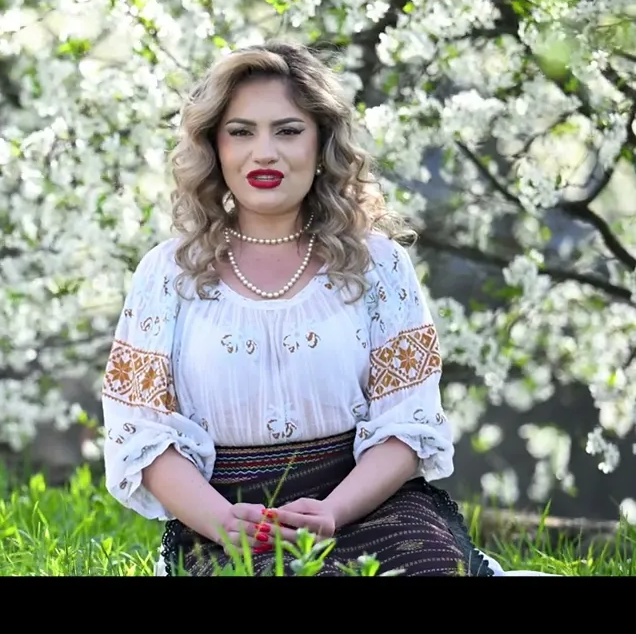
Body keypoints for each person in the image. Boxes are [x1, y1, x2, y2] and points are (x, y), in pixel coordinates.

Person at [99, 40, 509, 577]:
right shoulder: (167, 273)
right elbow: (141, 433)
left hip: (368, 506)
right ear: (214, 146)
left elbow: (408, 423)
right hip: (230, 521)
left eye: (288, 131)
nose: (264, 153)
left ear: (322, 143)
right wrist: (219, 519)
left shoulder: (378, 264)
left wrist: (335, 510)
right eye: (241, 132)